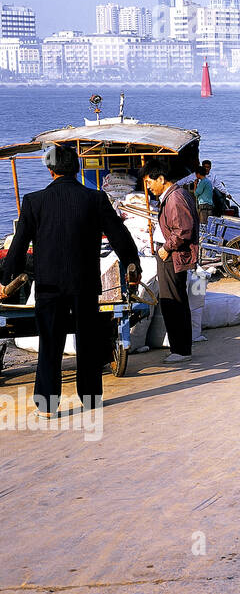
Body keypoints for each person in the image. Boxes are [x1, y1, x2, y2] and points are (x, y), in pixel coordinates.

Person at [0, 144, 140, 417]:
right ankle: (90, 399)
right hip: (84, 284)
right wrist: (131, 265)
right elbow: (120, 236)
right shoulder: (96, 199)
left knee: (50, 344)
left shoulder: (34, 201)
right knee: (88, 341)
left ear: (50, 169)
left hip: (49, 287)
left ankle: (47, 405)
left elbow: (18, 246)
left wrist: (6, 279)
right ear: (76, 169)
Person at [142, 160, 199, 364]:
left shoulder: (174, 198)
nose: (148, 187)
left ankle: (181, 350)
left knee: (173, 302)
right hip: (172, 256)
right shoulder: (173, 196)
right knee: (176, 300)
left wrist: (166, 248)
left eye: (150, 182)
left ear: (161, 179)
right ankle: (181, 348)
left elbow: (183, 230)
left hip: (172, 257)